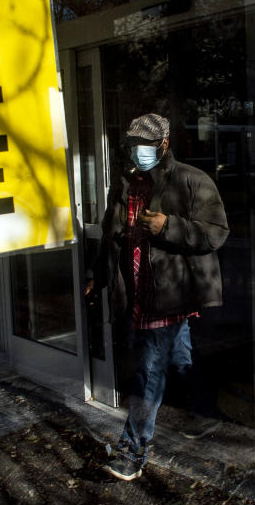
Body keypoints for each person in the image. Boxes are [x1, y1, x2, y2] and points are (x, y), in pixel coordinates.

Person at [85, 113, 229, 481]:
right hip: (138, 293)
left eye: (147, 147)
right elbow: (109, 237)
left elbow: (216, 232)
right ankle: (206, 412)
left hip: (171, 294)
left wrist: (170, 227)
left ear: (164, 145)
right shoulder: (125, 186)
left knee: (149, 370)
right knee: (180, 360)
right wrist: (97, 276)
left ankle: (132, 451)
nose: (140, 154)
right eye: (135, 147)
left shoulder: (192, 181)